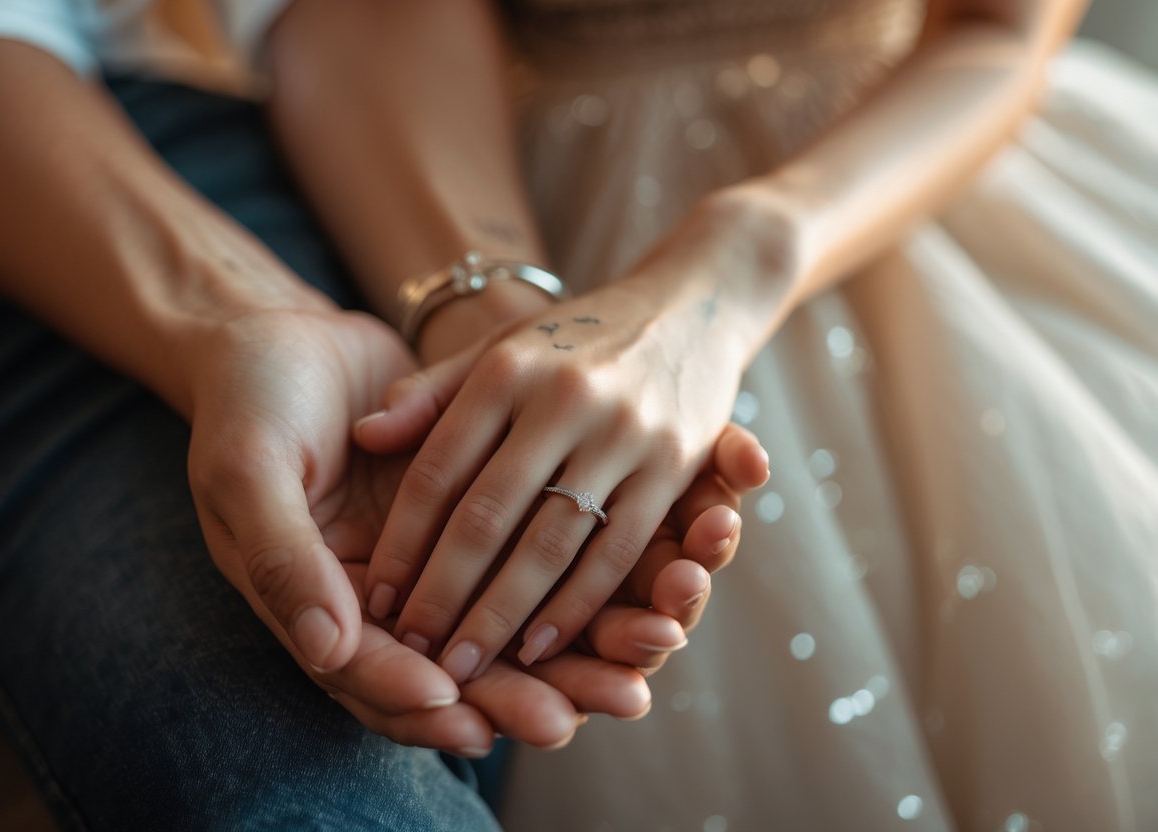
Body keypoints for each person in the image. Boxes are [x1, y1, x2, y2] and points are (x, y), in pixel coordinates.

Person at [277, 0, 1157, 829]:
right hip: (480, 171)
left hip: (907, 162)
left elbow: (999, 28)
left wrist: (721, 273)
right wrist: (496, 322)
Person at [0, 2, 772, 829]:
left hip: (262, 140)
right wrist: (237, 321)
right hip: (31, 163)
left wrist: (499, 341)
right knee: (303, 788)